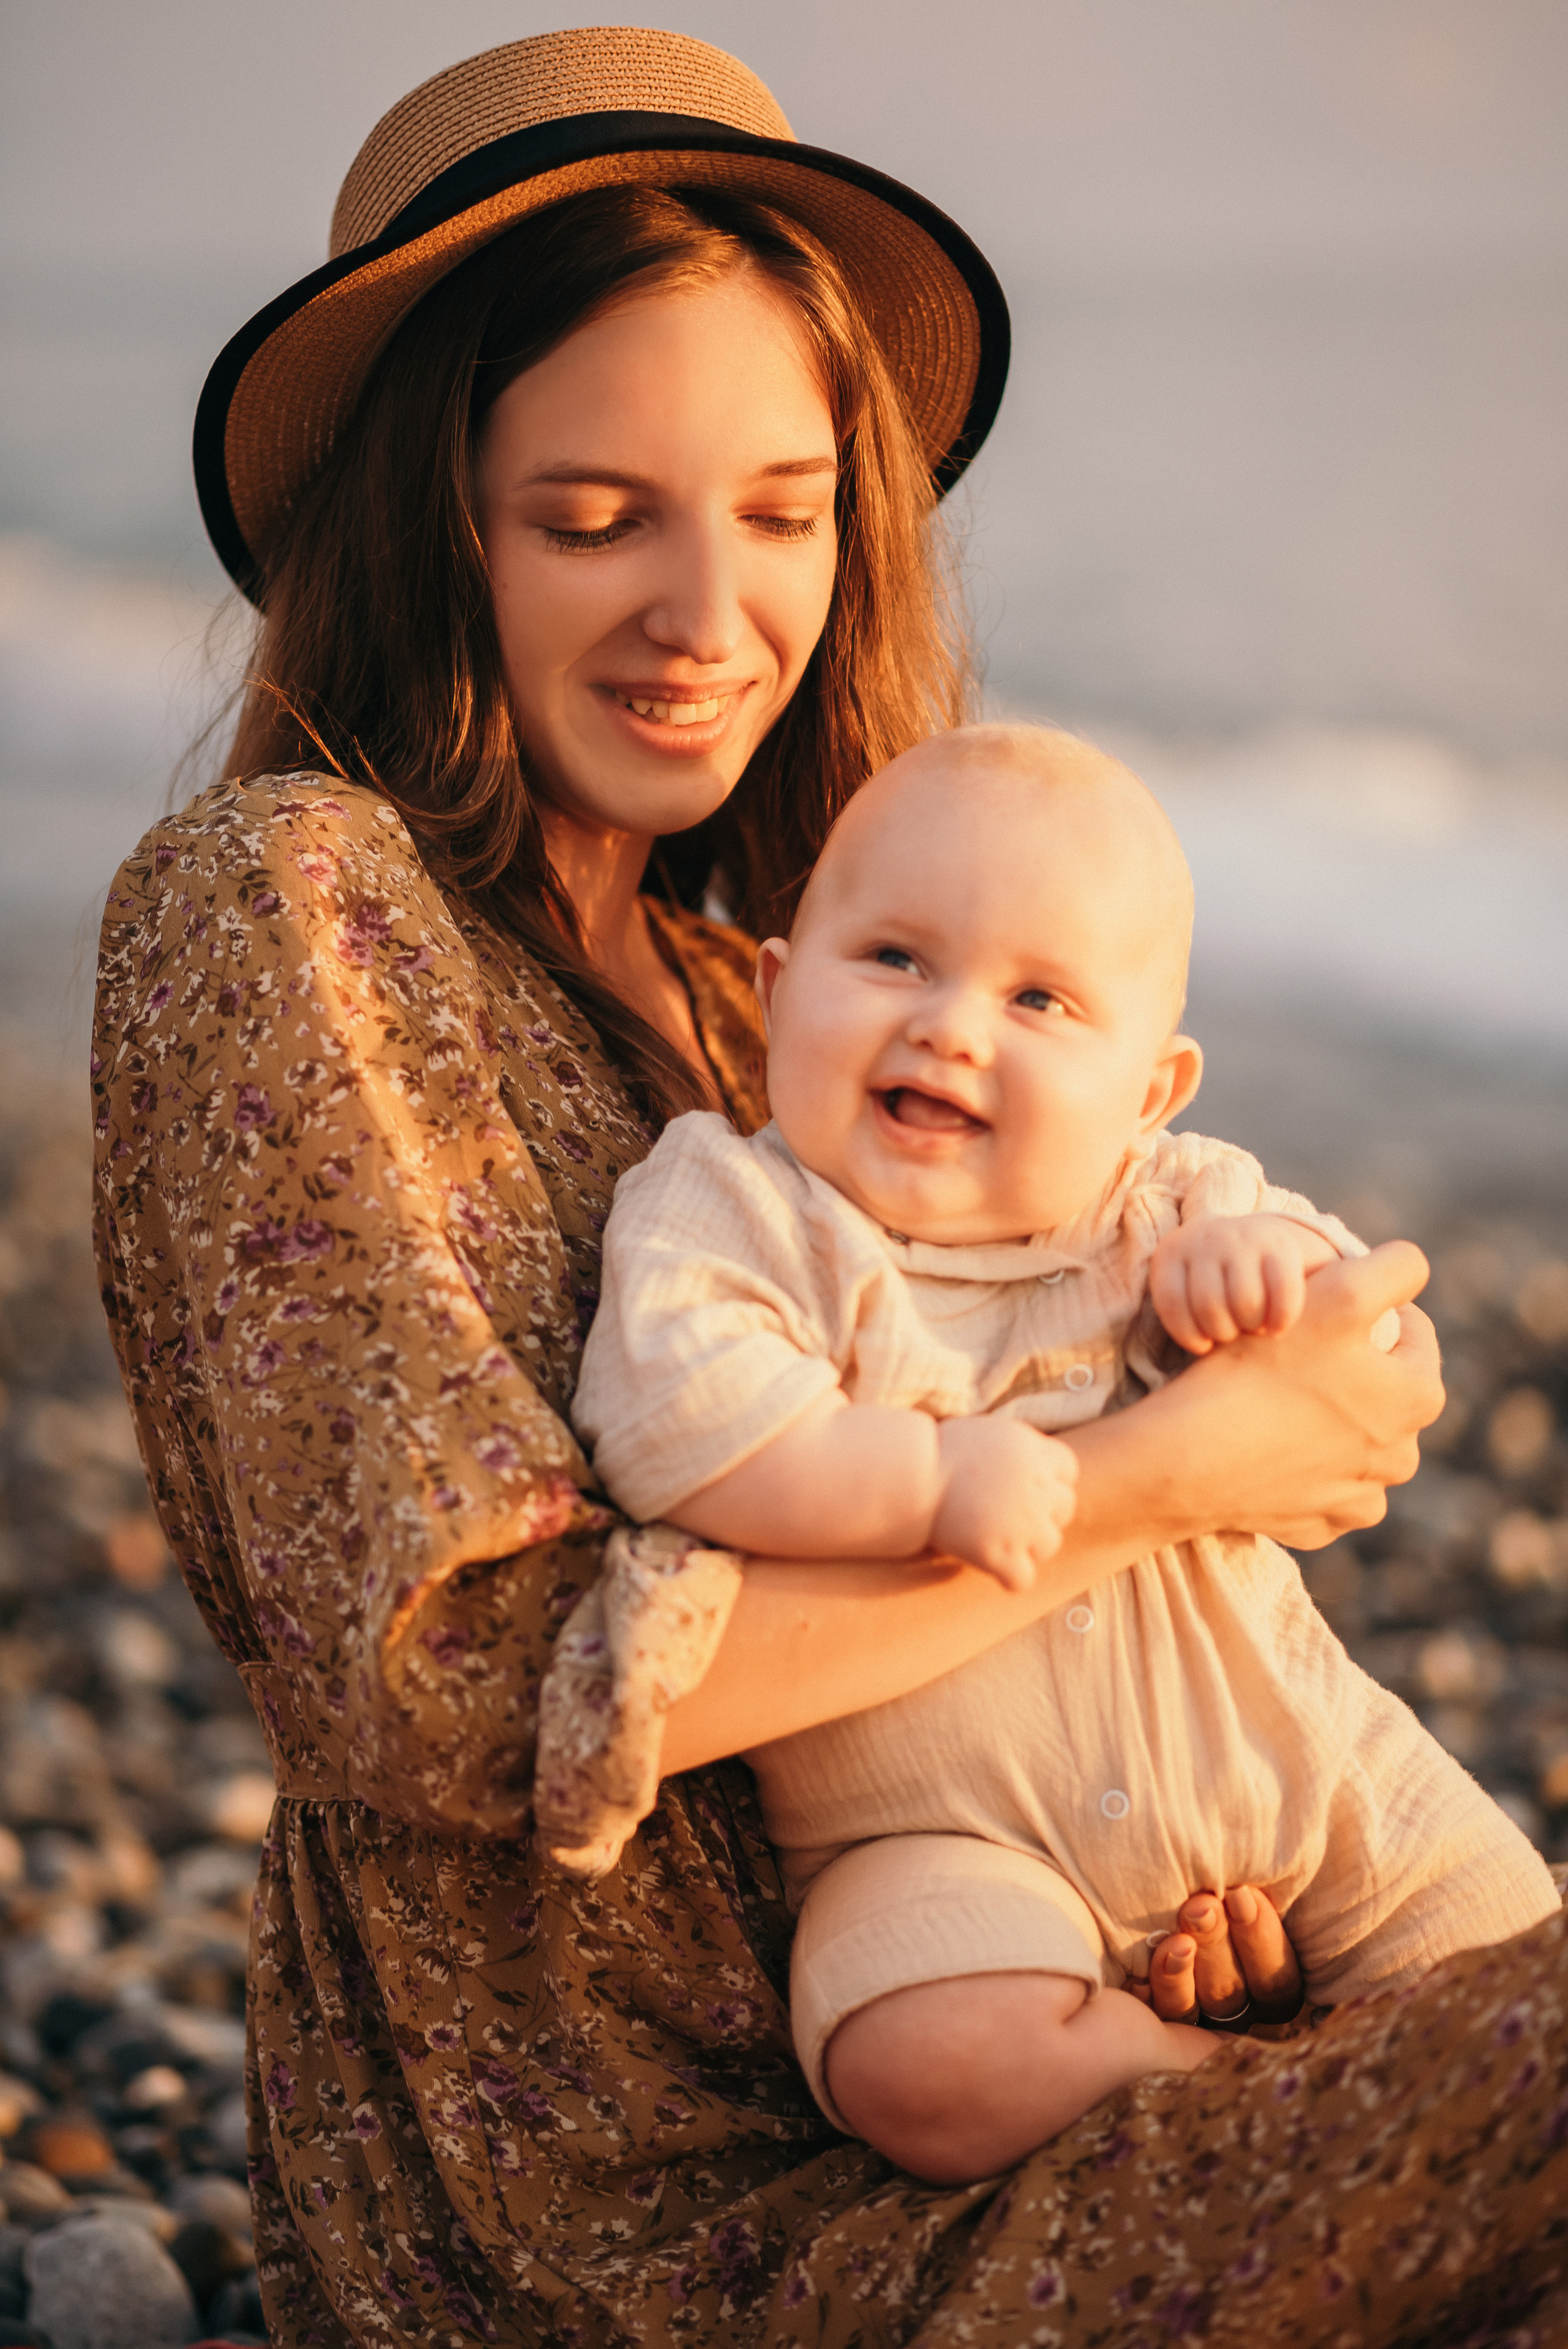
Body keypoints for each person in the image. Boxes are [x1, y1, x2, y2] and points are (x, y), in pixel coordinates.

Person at [89, 29, 1567, 2347]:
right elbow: (461, 1680)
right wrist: (1172, 1475)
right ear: (427, 520)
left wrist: (1144, 1865)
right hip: (620, 2206)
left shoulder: (749, 985)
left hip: (1003, 2013)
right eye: (598, 517)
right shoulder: (283, 895)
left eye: (783, 510)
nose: (712, 614)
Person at [571, 722, 1561, 2185]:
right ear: (778, 993)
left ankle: (1396, 2066)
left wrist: (1266, 1265)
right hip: (939, 1839)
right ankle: (1254, 2083)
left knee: (1518, 1988)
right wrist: (924, 1482)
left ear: (1149, 1089)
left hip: (1294, 1775)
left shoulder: (1166, 1202)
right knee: (917, 2060)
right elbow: (678, 1429)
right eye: (895, 960)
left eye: (1038, 997)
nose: (952, 1026)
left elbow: (1360, 1363)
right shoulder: (737, 1208)